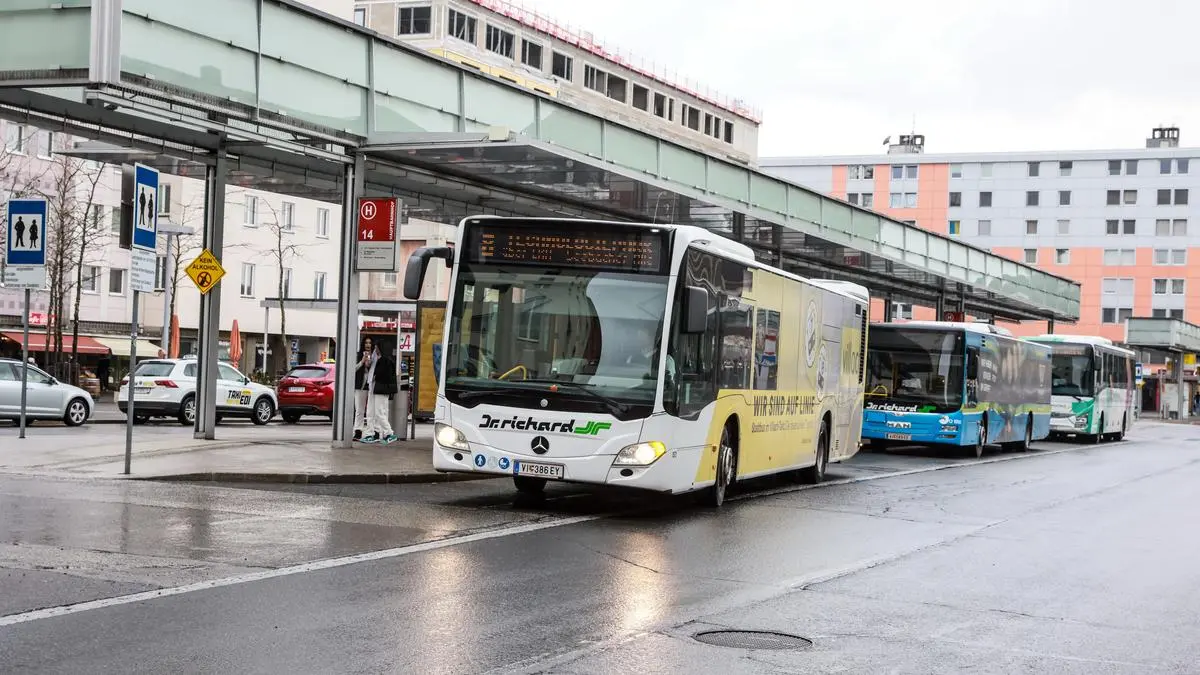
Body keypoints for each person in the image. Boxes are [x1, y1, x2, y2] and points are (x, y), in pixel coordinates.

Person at [363, 338, 398, 444]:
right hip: (375, 388)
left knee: (379, 412)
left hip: (381, 389)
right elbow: (370, 368)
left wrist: (375, 377)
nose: (375, 349)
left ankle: (389, 433)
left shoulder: (386, 360)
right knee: (371, 411)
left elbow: (383, 375)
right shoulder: (377, 358)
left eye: (377, 347)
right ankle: (375, 433)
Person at [353, 336, 373, 441]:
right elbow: (353, 369)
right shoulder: (358, 355)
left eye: (369, 343)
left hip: (371, 387)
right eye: (366, 343)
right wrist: (362, 361)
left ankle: (371, 432)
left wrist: (370, 364)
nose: (368, 345)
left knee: (371, 411)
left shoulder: (375, 356)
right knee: (359, 410)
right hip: (360, 386)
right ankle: (358, 431)